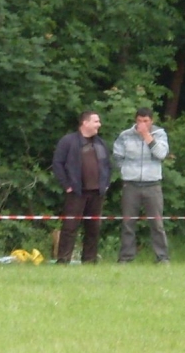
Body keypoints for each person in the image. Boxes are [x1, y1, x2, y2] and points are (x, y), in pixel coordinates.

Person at [51, 110, 111, 264]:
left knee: (93, 228)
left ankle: (89, 260)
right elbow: (57, 163)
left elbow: (107, 165)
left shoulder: (101, 143)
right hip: (76, 192)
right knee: (70, 227)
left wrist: (106, 184)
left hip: (97, 193)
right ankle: (63, 259)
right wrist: (67, 185)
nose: (99, 124)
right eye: (96, 121)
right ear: (85, 123)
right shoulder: (68, 141)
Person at [113, 107, 170, 264]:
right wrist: (125, 170)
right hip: (131, 185)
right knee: (128, 222)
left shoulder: (160, 134)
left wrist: (147, 136)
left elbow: (161, 154)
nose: (142, 124)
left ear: (152, 121)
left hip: (153, 185)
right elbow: (117, 156)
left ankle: (162, 258)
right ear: (135, 120)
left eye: (146, 121)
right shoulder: (125, 135)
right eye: (139, 121)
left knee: (157, 223)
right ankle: (126, 257)